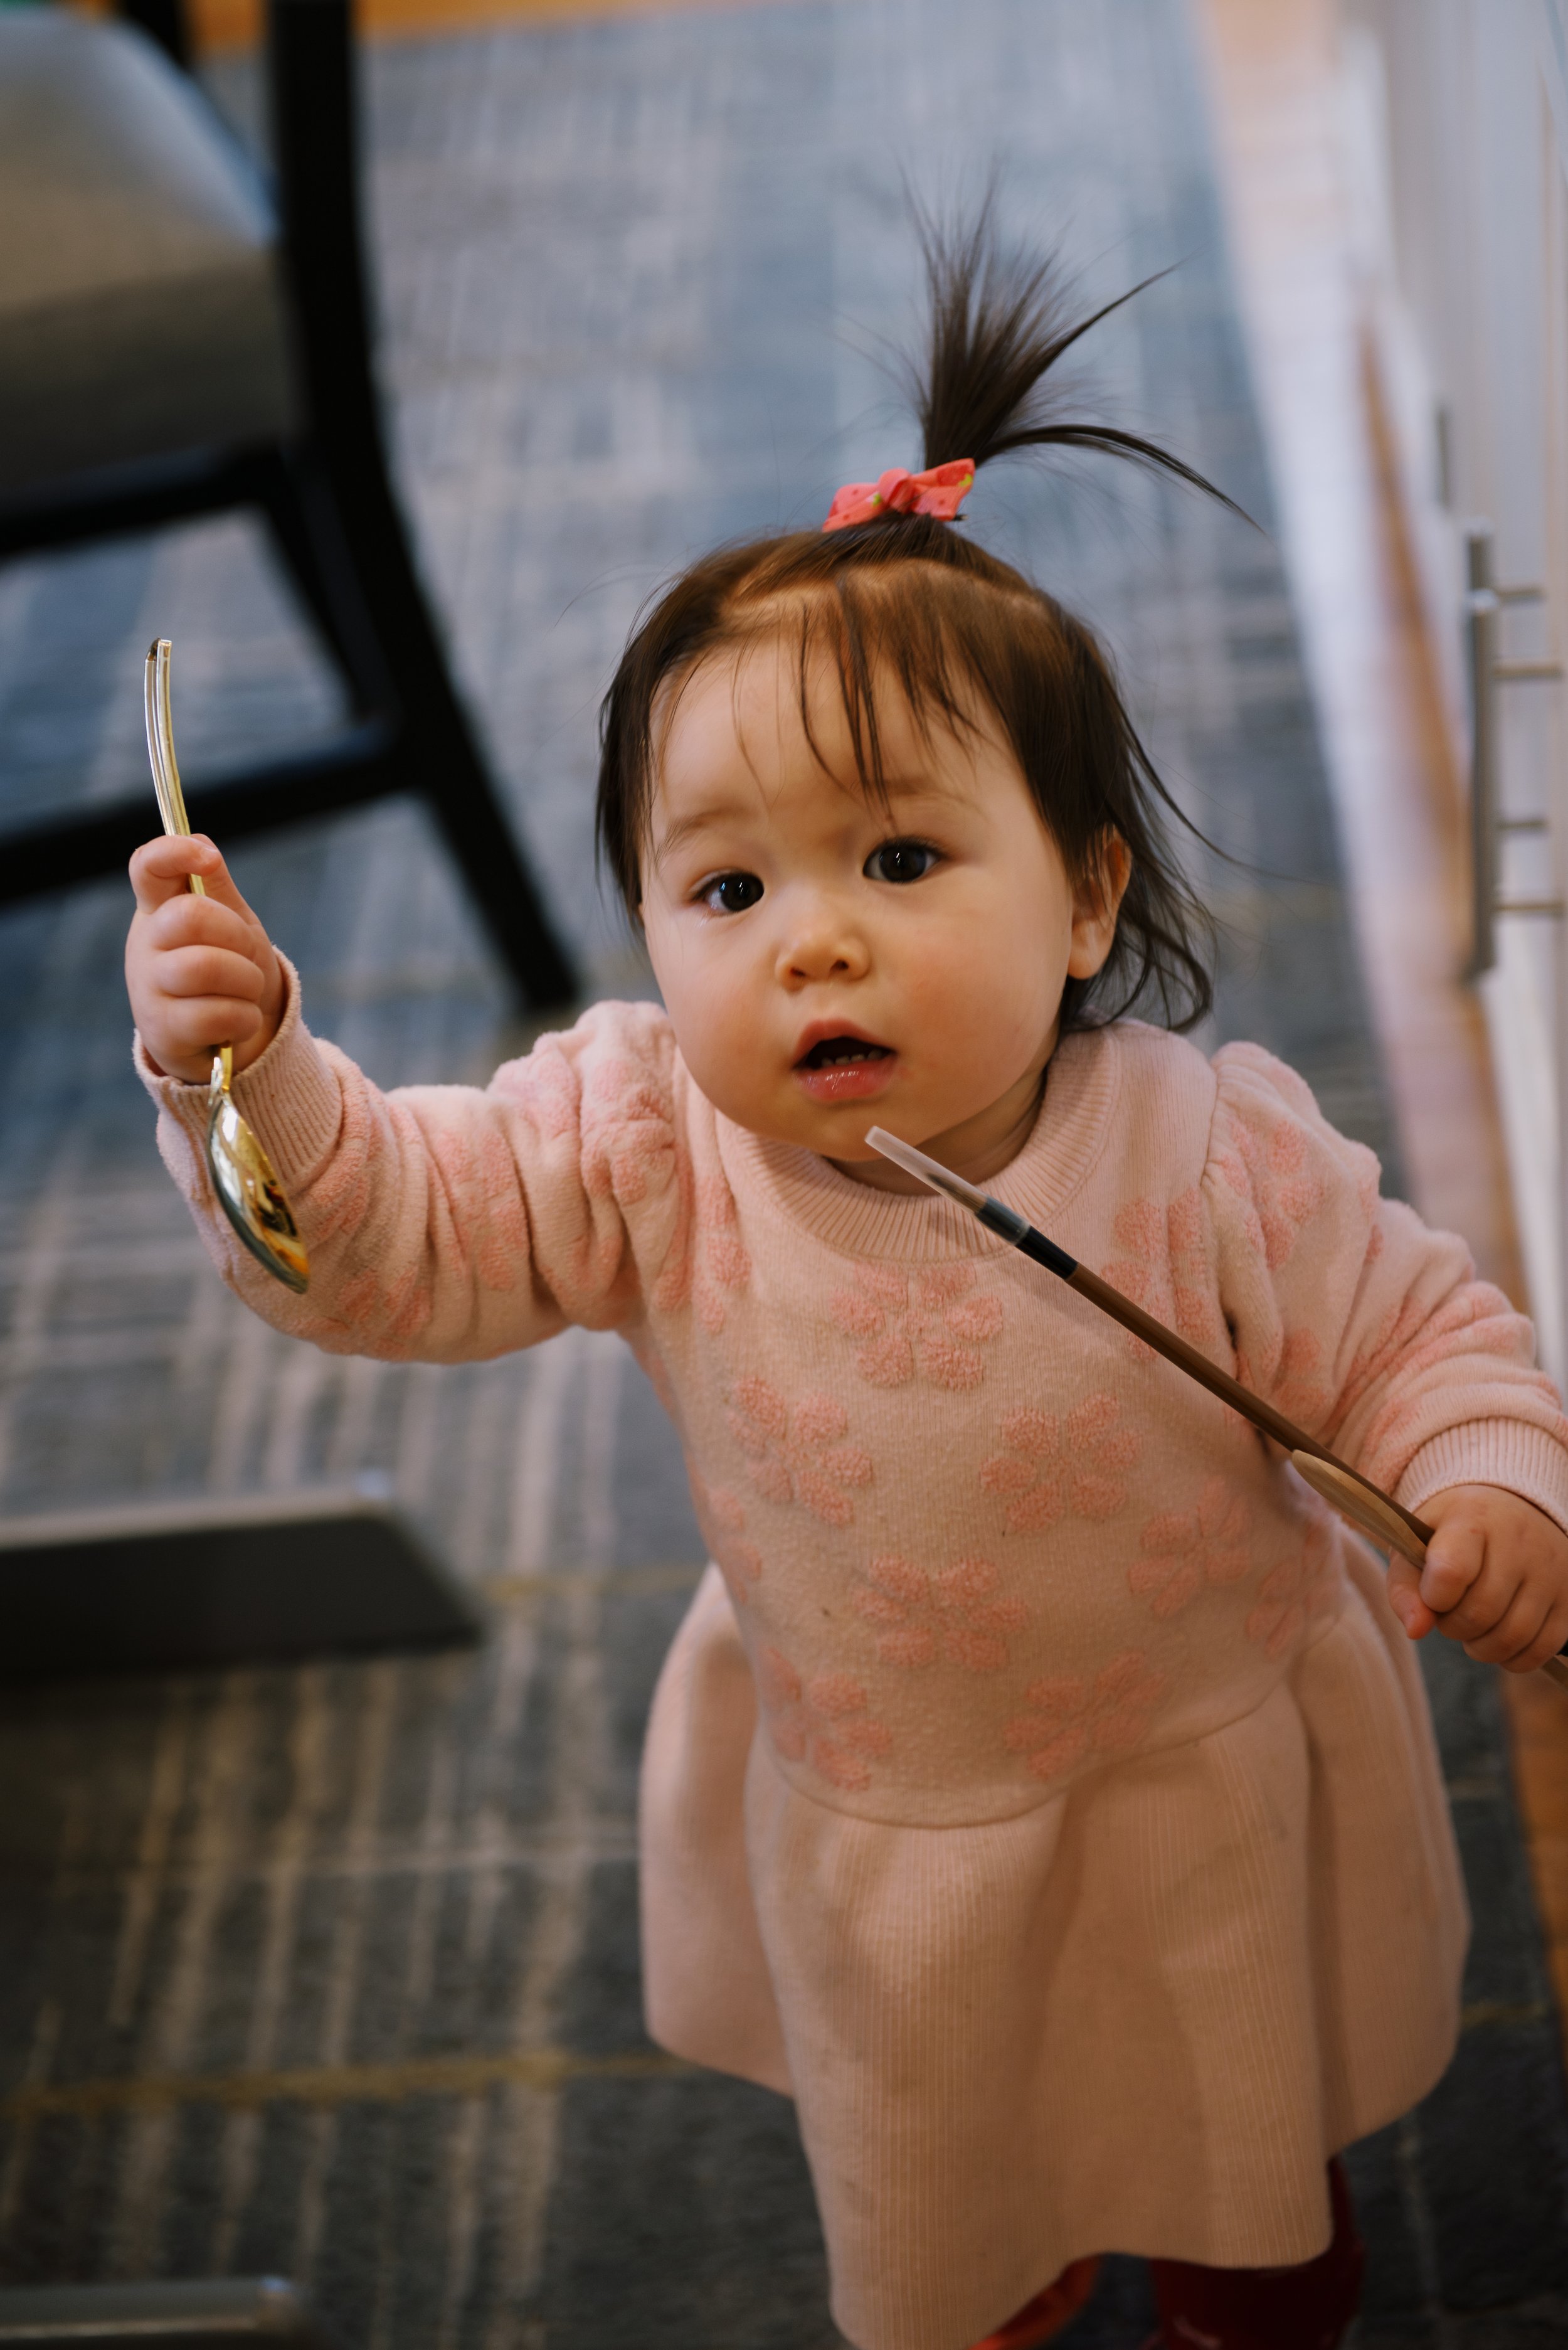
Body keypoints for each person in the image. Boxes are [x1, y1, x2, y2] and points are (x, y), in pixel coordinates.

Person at [124, 215, 1568, 2350]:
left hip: (1200, 1762)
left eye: (897, 859)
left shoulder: (1207, 1142)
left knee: (1248, 2156)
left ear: (1084, 896)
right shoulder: (638, 1143)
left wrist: (1489, 1476)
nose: (810, 938)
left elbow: (1420, 1327)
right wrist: (252, 1077)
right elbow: (394, 1243)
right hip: (897, 1806)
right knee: (953, 2182)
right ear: (647, 919)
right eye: (726, 883)